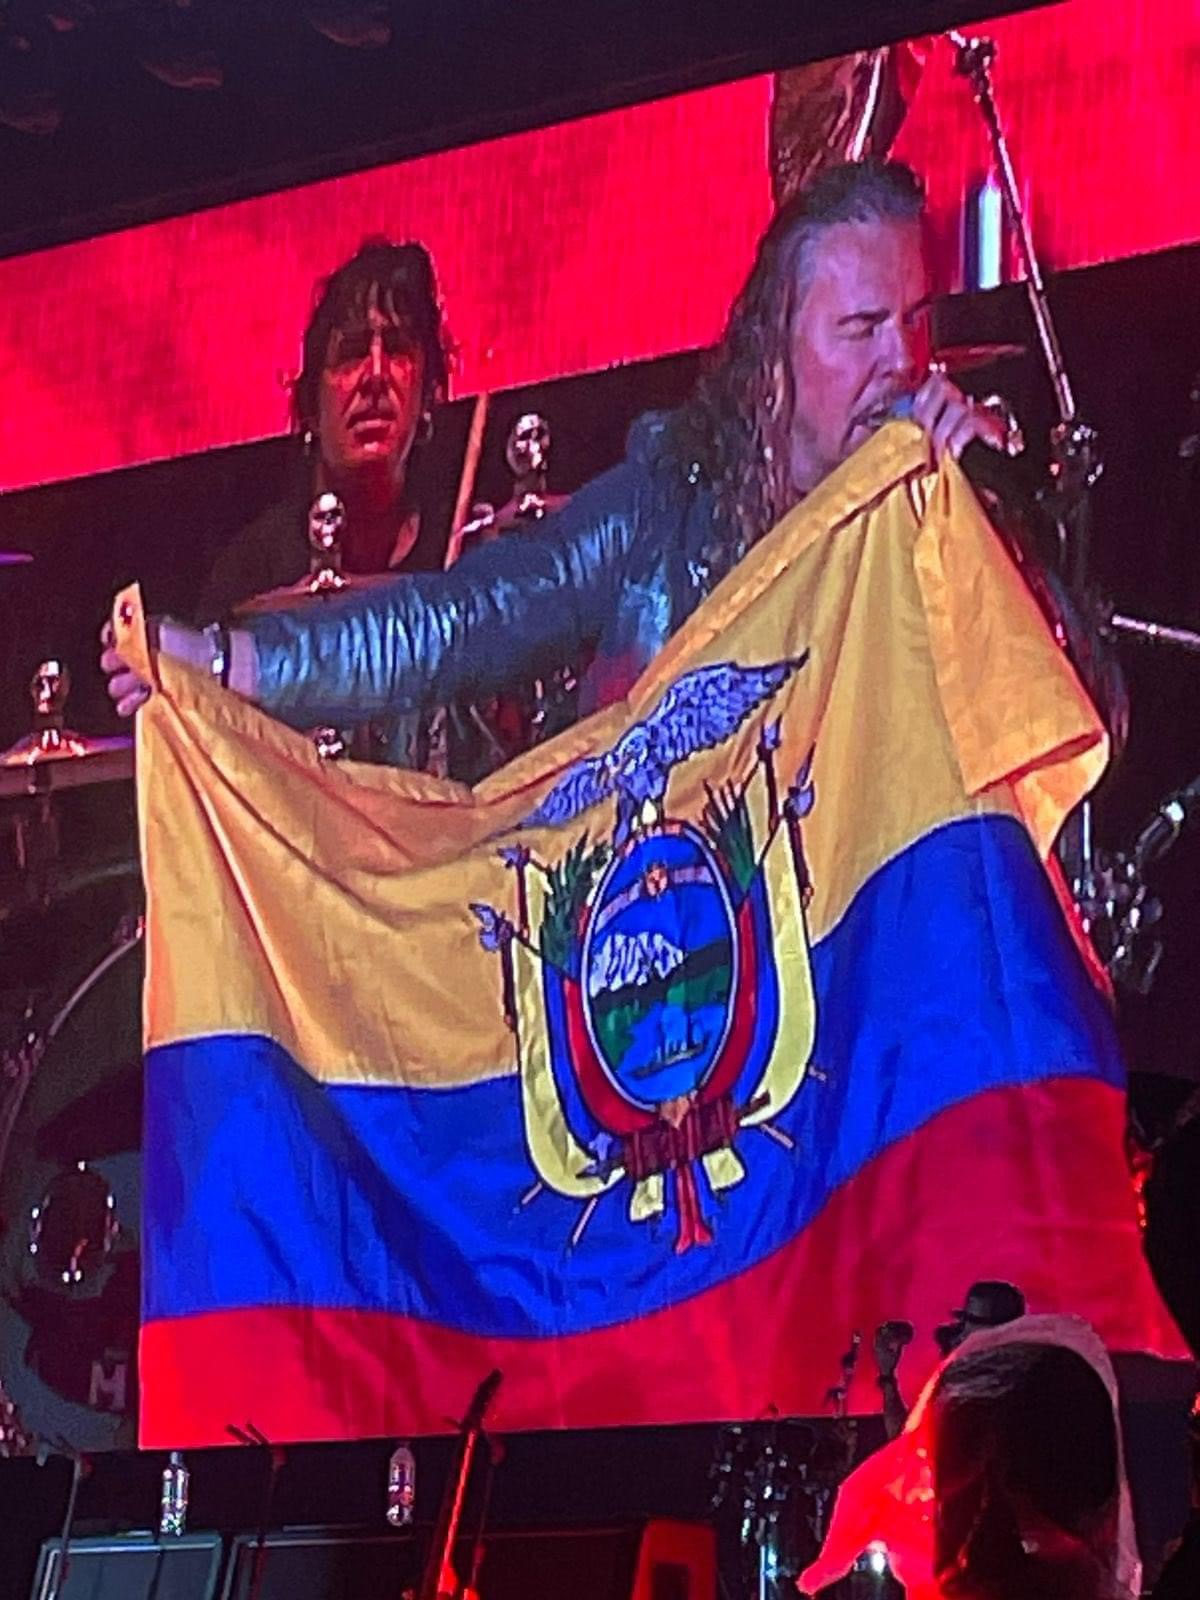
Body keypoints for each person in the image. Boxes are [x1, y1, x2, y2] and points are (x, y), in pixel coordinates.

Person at [101, 160, 1009, 730]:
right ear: (774, 347)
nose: (904, 361)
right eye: (862, 328)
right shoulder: (669, 503)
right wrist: (228, 664)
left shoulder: (941, 501)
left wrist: (1000, 544)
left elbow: (1078, 724)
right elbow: (455, 627)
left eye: (915, 320)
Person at [196, 236, 459, 770]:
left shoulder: (457, 557)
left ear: (428, 396)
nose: (377, 376)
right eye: (353, 352)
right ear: (309, 409)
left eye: (400, 350)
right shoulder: (250, 575)